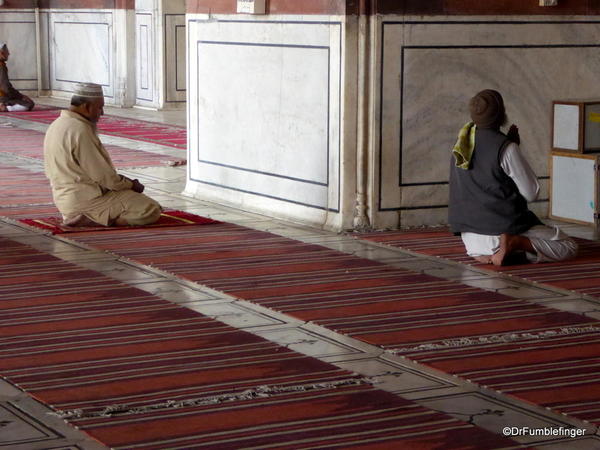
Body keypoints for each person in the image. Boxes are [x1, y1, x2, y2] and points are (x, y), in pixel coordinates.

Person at [448, 89, 577, 265]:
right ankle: (515, 243)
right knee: (568, 246)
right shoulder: (505, 148)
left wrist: (510, 146)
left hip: (471, 240)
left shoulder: (460, 145)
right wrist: (513, 149)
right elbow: (532, 193)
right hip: (501, 232)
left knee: (525, 245)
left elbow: (487, 176)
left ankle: (495, 253)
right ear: (501, 114)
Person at [44, 82, 162, 227]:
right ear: (87, 107)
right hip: (87, 200)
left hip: (65, 199)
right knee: (150, 209)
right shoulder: (80, 130)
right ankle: (93, 218)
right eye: (100, 107)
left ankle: (95, 216)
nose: (102, 112)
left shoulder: (57, 124)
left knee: (132, 199)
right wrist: (131, 184)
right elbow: (104, 177)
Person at [0, 42, 34, 112]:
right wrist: (21, 96)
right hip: (1, 97)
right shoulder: (1, 66)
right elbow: (5, 87)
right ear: (1, 53)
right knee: (29, 103)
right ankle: (4, 108)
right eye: (6, 51)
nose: (8, 54)